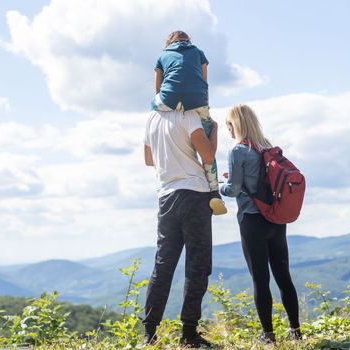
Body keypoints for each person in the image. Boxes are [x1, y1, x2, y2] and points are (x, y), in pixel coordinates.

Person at [220, 104, 302, 343]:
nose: (227, 129)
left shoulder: (238, 151)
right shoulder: (266, 146)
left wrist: (219, 186)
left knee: (260, 280)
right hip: (276, 219)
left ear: (234, 125)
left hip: (252, 220)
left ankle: (269, 336)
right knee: (283, 277)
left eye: (228, 125)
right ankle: (296, 331)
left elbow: (234, 190)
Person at [142, 108, 216, 348]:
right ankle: (189, 333)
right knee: (197, 264)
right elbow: (208, 155)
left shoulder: (152, 118)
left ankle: (149, 334)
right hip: (194, 194)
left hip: (165, 196)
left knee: (163, 265)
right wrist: (213, 130)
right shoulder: (189, 115)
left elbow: (149, 159)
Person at [151, 30, 227, 216]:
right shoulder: (198, 52)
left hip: (168, 99)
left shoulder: (162, 56)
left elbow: (157, 89)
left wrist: (162, 109)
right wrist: (205, 113)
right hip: (198, 99)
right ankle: (215, 193)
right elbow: (204, 81)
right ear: (188, 41)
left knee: (153, 106)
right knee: (207, 148)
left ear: (169, 42)